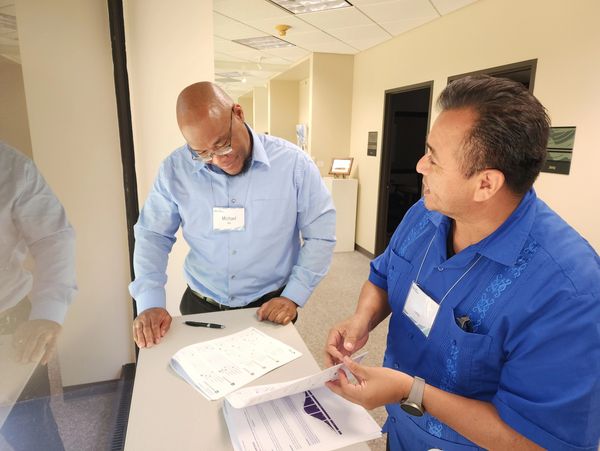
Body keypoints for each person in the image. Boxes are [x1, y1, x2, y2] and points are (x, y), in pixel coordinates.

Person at [325, 75, 600, 451]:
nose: (420, 166)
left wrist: (413, 391)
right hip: (399, 431)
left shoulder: (569, 290)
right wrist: (362, 319)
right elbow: (384, 275)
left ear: (485, 184)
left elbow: (542, 442)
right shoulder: (426, 213)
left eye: (434, 159)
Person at [130, 82, 336, 348]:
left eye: (223, 144)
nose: (218, 159)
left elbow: (320, 236)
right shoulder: (175, 169)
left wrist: (294, 295)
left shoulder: (293, 164)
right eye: (202, 153)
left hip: (269, 306)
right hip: (200, 304)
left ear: (238, 114)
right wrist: (149, 302)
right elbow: (152, 235)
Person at [0, 141, 77, 450]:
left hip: (11, 327)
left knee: (33, 433)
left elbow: (53, 238)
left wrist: (48, 313)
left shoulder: (12, 167)